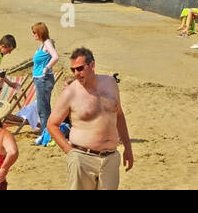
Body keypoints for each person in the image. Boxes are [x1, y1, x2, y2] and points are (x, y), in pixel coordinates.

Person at [47, 47, 134, 190]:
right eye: (73, 70)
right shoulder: (70, 92)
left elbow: (119, 115)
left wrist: (128, 148)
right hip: (82, 157)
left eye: (80, 69)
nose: (76, 73)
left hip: (110, 158)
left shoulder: (110, 83)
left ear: (92, 65)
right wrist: (70, 152)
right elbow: (52, 124)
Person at [31, 22, 60, 144]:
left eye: (35, 33)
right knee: (43, 108)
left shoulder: (47, 43)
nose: (34, 35)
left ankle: (45, 136)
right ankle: (45, 134)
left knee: (43, 109)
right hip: (40, 79)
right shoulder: (43, 44)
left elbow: (55, 57)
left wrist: (46, 68)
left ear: (40, 32)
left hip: (43, 79)